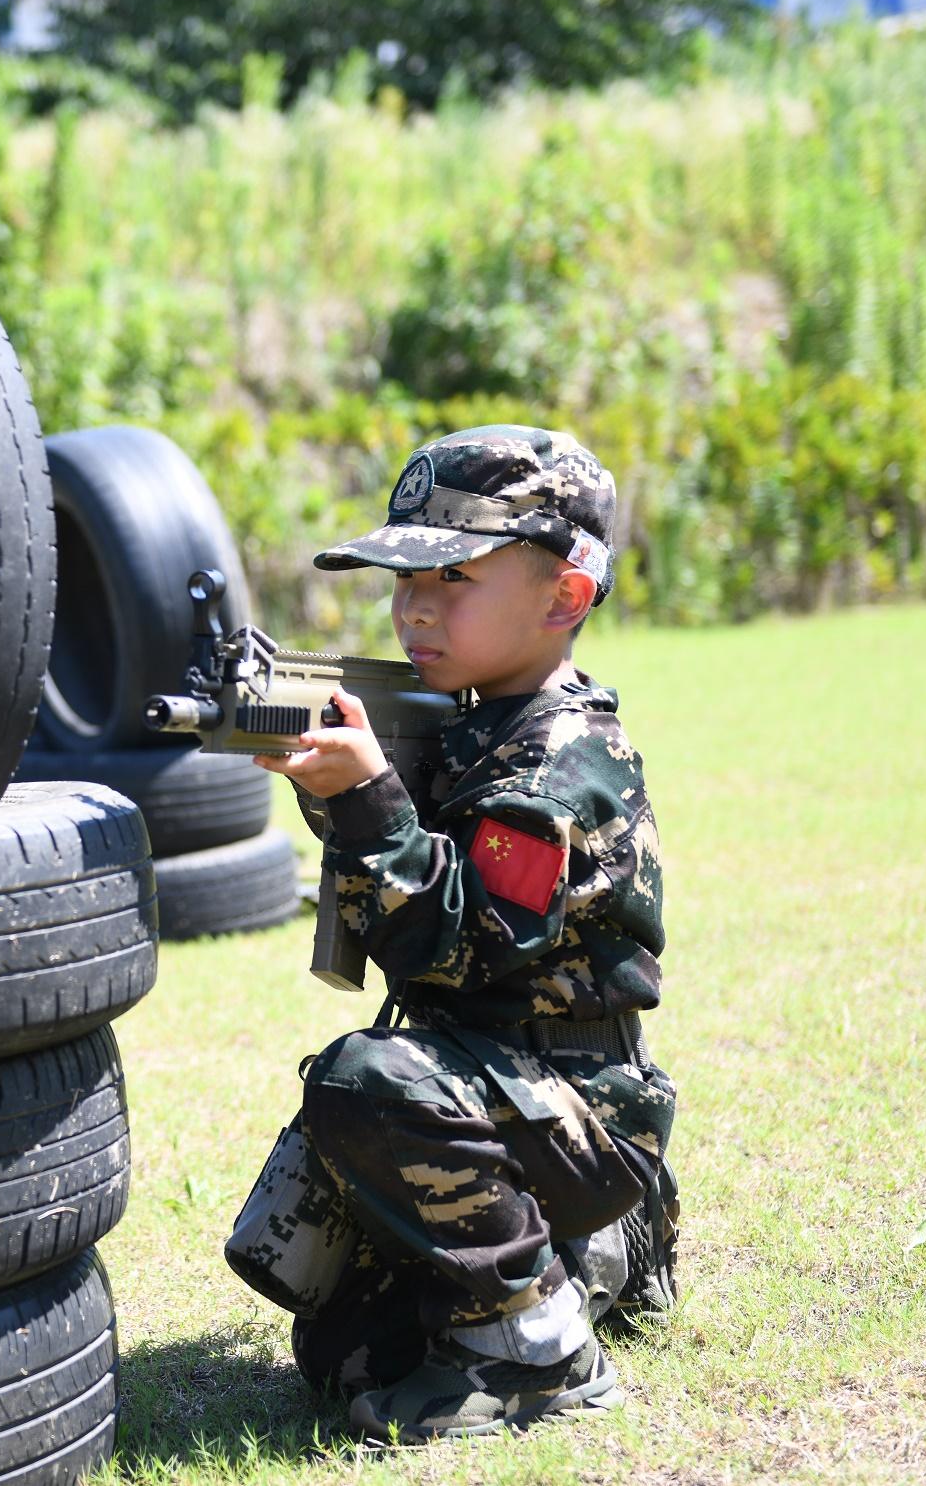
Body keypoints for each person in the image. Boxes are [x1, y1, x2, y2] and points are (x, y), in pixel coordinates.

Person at [250, 423, 678, 1446]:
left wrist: (369, 803)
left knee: (367, 1078)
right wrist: (349, 793)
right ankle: (599, 1255)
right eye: (403, 580)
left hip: (579, 1104)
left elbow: (458, 951)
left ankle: (543, 1356)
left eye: (452, 578)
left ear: (563, 596)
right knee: (346, 1353)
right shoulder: (475, 726)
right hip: (504, 1095)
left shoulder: (557, 764)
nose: (413, 607)